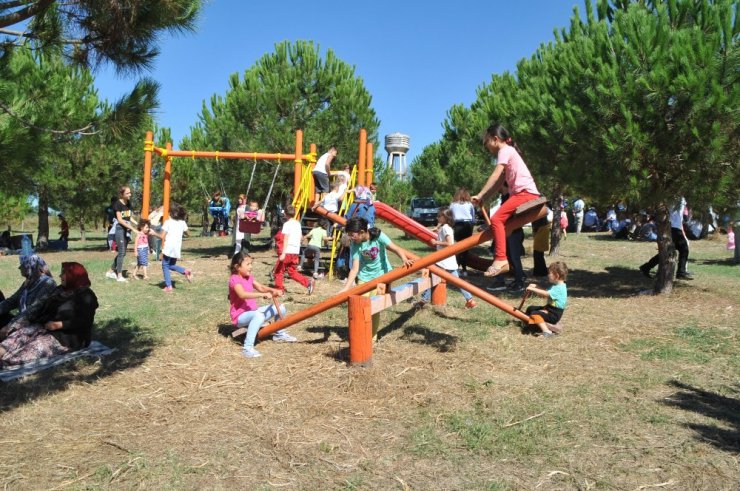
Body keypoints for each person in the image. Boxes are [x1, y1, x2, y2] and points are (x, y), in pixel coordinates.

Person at [472, 124, 540, 277]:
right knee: (501, 223)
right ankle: (502, 258)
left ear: (495, 139)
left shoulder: (505, 150)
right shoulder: (510, 152)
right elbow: (498, 183)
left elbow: (495, 175)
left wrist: (480, 193)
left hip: (525, 193)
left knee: (496, 219)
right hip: (523, 193)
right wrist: (483, 197)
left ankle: (501, 259)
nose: (486, 146)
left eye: (486, 142)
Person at [0, 262, 98, 367]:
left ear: (74, 275)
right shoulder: (59, 290)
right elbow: (41, 306)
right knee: (17, 337)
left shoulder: (86, 296)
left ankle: (6, 363)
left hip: (66, 338)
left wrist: (60, 324)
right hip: (45, 327)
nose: (60, 276)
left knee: (31, 349)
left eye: (64, 273)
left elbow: (84, 321)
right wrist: (26, 321)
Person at [338, 217, 414, 340]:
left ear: (362, 232)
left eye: (353, 235)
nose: (351, 238)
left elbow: (395, 248)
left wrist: (404, 259)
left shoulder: (378, 236)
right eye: (349, 235)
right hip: (364, 277)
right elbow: (355, 268)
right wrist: (346, 288)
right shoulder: (355, 244)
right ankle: (360, 334)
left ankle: (371, 337)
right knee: (359, 306)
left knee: (374, 308)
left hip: (381, 276)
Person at [229, 252, 295, 358]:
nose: (251, 267)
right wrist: (262, 295)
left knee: (281, 308)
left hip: (253, 312)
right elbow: (242, 294)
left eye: (251, 264)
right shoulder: (234, 279)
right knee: (258, 315)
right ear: (237, 267)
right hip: (240, 317)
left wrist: (274, 290)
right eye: (248, 264)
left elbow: (261, 287)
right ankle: (247, 348)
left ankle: (279, 334)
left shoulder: (249, 277)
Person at [415, 208, 477, 309]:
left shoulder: (445, 229)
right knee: (457, 281)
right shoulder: (446, 227)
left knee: (431, 278)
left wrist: (436, 242)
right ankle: (470, 300)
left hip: (443, 261)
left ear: (445, 217)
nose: (437, 217)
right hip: (449, 261)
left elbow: (450, 244)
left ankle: (423, 301)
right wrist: (437, 228)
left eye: (439, 216)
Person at [0, 254, 57, 334]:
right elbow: (12, 301)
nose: (19, 268)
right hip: (22, 320)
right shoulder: (29, 282)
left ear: (30, 266)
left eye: (22, 265)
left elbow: (32, 311)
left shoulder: (48, 284)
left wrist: (10, 326)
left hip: (36, 324)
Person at [639, 197, 692, 280]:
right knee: (683, 249)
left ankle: (646, 267)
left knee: (667, 251)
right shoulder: (676, 198)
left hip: (675, 227)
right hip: (674, 227)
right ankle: (681, 272)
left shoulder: (677, 198)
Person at [150, 204, 193, 292]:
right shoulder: (182, 222)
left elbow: (162, 236)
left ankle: (169, 286)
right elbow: (188, 234)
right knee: (171, 265)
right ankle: (185, 271)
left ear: (172, 213)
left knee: (165, 265)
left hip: (169, 247)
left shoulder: (168, 222)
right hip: (176, 248)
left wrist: (154, 233)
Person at [274, 205, 314, 294]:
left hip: (288, 250)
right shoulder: (298, 223)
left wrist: (283, 253)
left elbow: (285, 239)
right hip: (295, 251)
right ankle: (308, 283)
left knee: (278, 271)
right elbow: (300, 237)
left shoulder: (287, 224)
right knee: (291, 271)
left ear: (285, 214)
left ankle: (279, 289)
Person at [525, 261, 568, 338]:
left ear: (556, 276)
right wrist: (536, 286)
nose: (548, 275)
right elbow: (544, 293)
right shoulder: (556, 286)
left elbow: (546, 294)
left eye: (550, 273)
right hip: (549, 309)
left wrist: (533, 289)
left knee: (535, 314)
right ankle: (533, 325)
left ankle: (547, 332)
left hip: (554, 314)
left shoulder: (559, 288)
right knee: (530, 308)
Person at [105, 186, 135, 282]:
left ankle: (110, 272)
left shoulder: (129, 203)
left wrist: (138, 224)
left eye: (130, 192)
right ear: (122, 194)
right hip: (119, 229)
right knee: (121, 252)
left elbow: (128, 217)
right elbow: (120, 220)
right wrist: (133, 228)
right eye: (127, 193)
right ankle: (119, 276)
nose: (130, 194)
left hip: (127, 229)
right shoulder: (117, 204)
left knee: (123, 252)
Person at [449, 188, 476, 277]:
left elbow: (450, 216)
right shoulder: (469, 204)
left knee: (459, 247)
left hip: (457, 225)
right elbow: (472, 218)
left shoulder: (453, 204)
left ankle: (457, 267)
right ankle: (463, 269)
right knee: (465, 248)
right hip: (467, 225)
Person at [531, 205, 553, 277]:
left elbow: (537, 223)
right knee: (539, 254)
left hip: (541, 230)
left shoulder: (541, 209)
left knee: (538, 253)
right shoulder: (542, 209)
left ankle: (540, 272)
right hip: (541, 230)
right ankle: (541, 271)